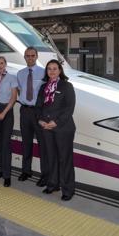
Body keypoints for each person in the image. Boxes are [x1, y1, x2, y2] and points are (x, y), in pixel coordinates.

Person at [36, 59, 76, 201]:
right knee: (51, 157)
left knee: (64, 159)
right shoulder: (43, 87)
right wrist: (40, 120)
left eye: (54, 68)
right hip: (46, 127)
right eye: (49, 69)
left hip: (63, 128)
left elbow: (69, 109)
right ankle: (53, 184)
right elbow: (38, 106)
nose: (52, 71)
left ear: (60, 70)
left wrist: (55, 122)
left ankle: (68, 189)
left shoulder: (66, 86)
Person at [16, 47, 48, 186]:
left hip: (38, 112)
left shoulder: (44, 73)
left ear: (37, 56)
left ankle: (45, 175)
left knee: (42, 144)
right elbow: (20, 90)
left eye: (32, 55)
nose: (30, 58)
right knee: (26, 143)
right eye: (27, 56)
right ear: (24, 57)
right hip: (25, 111)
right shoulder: (20, 73)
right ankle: (26, 171)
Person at [0, 56, 18, 187]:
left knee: (6, 143)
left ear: (5, 64)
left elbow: (13, 97)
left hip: (7, 110)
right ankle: (0, 169)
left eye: (1, 63)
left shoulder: (12, 78)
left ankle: (7, 175)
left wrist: (3, 113)